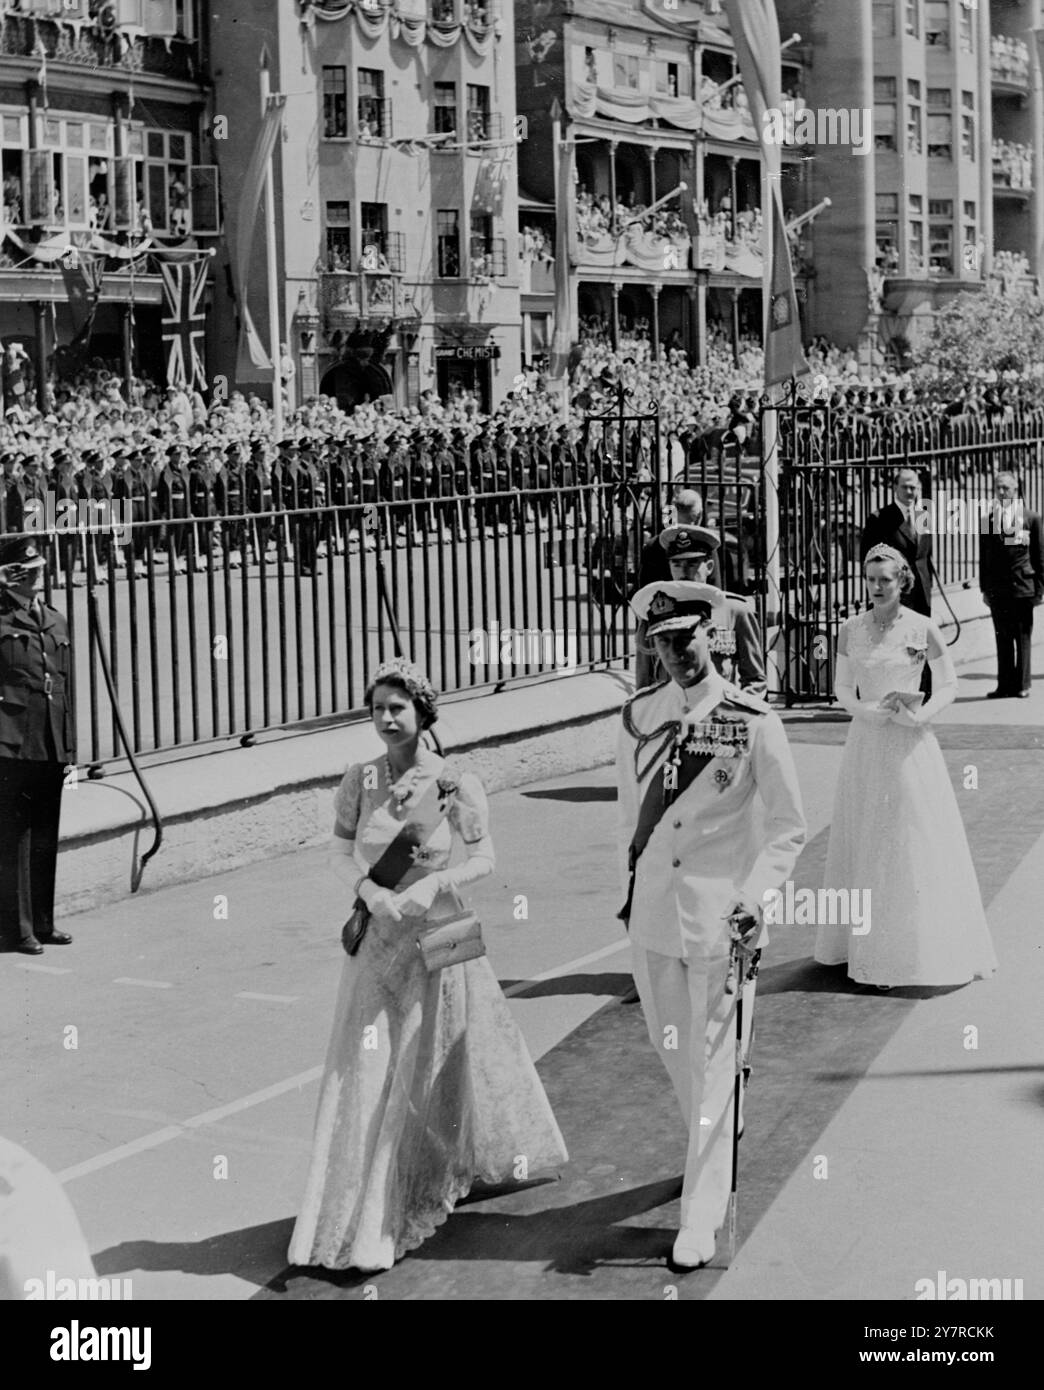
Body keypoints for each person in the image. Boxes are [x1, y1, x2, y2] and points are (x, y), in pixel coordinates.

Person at [288, 657, 567, 1273]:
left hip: (439, 934)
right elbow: (338, 852)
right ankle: (367, 1206)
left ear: (422, 715)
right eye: (378, 708)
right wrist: (368, 891)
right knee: (367, 1070)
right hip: (377, 941)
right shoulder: (358, 779)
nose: (387, 719)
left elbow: (486, 858)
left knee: (436, 1064)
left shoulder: (454, 783)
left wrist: (428, 886)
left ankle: (413, 1188)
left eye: (398, 708)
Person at [618, 582, 805, 1267]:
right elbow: (626, 820)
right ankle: (720, 1125)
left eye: (686, 638)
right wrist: (629, 895)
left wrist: (754, 900)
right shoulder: (639, 718)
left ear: (712, 636)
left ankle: (700, 1215)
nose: (675, 654)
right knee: (680, 1058)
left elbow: (789, 829)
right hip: (653, 919)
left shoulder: (752, 719)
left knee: (711, 1057)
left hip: (719, 922)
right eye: (662, 642)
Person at [814, 544, 997, 988]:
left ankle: (912, 945)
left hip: (910, 742)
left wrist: (922, 713)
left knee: (910, 836)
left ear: (902, 582)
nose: (877, 587)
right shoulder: (850, 629)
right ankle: (861, 943)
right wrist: (863, 711)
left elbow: (949, 683)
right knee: (866, 835)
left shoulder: (922, 627)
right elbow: (841, 687)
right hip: (866, 741)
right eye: (871, 579)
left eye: (885, 580)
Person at [0, 536, 75, 955]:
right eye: (25, 569)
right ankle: (17, 927)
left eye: (38, 569)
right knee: (15, 835)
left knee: (45, 832)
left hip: (48, 738)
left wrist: (69, 747)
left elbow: (65, 686)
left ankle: (43, 922)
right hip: (10, 743)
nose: (35, 576)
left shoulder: (54, 620)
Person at [637, 525, 765, 695]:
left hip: (719, 713)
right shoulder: (656, 612)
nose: (683, 571)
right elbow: (644, 684)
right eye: (676, 564)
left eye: (692, 563)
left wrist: (735, 712)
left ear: (709, 566)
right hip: (671, 712)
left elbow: (755, 680)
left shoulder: (734, 610)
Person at [979, 470, 1043, 699]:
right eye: (998, 488)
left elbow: (1039, 556)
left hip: (1023, 587)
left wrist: (1040, 588)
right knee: (1002, 637)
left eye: (1006, 487)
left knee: (1022, 637)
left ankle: (1023, 684)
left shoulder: (1031, 518)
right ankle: (1004, 684)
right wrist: (984, 588)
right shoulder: (988, 520)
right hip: (998, 589)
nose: (1002, 491)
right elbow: (984, 557)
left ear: (1016, 490)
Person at [860, 467, 932, 617]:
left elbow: (926, 555)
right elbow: (867, 561)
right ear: (895, 488)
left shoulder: (923, 515)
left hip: (922, 594)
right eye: (904, 487)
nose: (909, 491)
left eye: (913, 487)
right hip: (894, 594)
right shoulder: (879, 519)